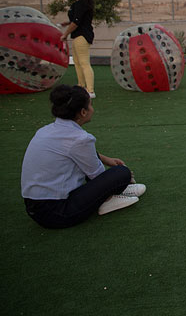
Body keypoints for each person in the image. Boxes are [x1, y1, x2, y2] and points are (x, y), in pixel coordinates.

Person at [21, 84, 146, 229]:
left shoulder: (45, 130)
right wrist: (119, 179)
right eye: (90, 105)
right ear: (83, 112)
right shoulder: (80, 139)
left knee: (97, 166)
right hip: (57, 213)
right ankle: (108, 199)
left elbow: (78, 153)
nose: (93, 109)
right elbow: (97, 175)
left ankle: (114, 192)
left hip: (36, 207)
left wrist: (107, 160)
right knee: (121, 173)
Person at [60, 0, 96, 98]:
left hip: (82, 36)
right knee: (77, 62)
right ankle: (81, 86)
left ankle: (90, 90)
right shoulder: (76, 4)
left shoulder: (82, 4)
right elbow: (76, 21)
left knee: (84, 62)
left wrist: (65, 34)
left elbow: (76, 22)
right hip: (77, 35)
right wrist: (67, 23)